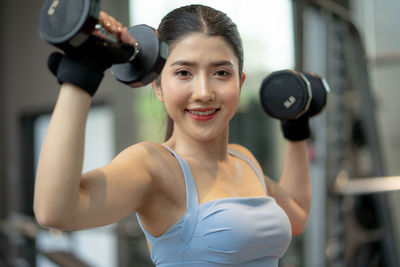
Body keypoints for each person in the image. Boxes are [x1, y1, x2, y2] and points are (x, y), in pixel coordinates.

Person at [34, 4, 312, 267]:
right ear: (158, 86)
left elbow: (297, 216)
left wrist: (295, 126)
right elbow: (54, 211)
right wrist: (80, 76)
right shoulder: (153, 165)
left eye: (221, 72)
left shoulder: (244, 159)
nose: (203, 92)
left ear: (240, 82)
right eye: (183, 72)